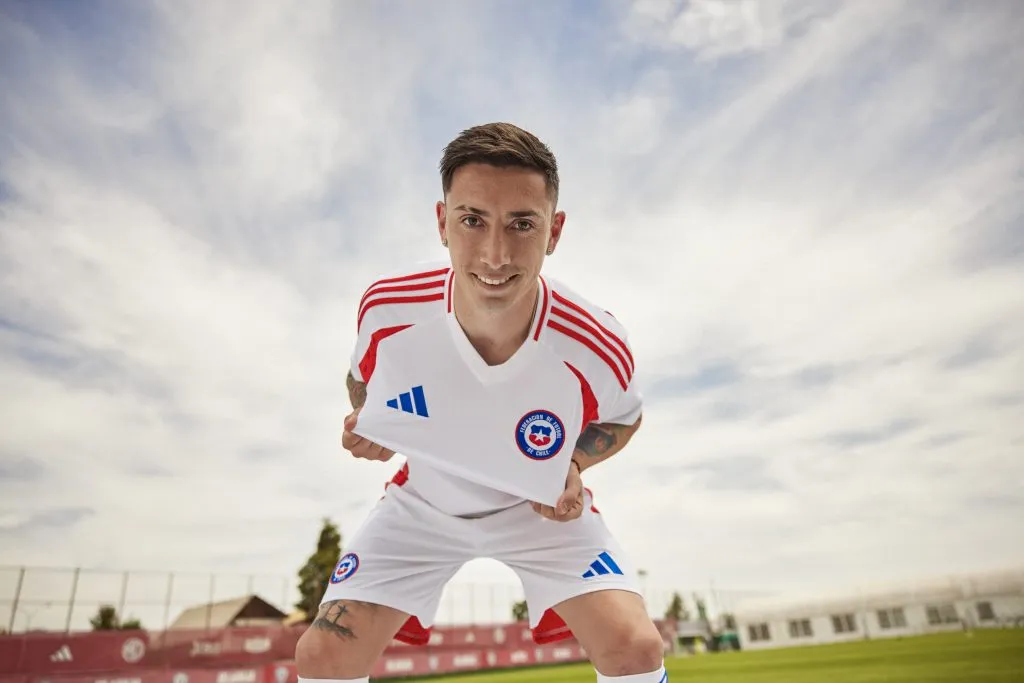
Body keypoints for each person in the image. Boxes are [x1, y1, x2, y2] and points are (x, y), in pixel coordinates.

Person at [295, 122, 667, 683]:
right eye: (473, 220)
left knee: (636, 647)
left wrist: (571, 464)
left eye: (522, 224)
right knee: (323, 656)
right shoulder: (388, 310)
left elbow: (625, 415)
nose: (496, 254)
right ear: (443, 222)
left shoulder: (596, 343)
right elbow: (361, 379)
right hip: (424, 501)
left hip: (537, 505)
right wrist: (373, 424)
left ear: (554, 230)